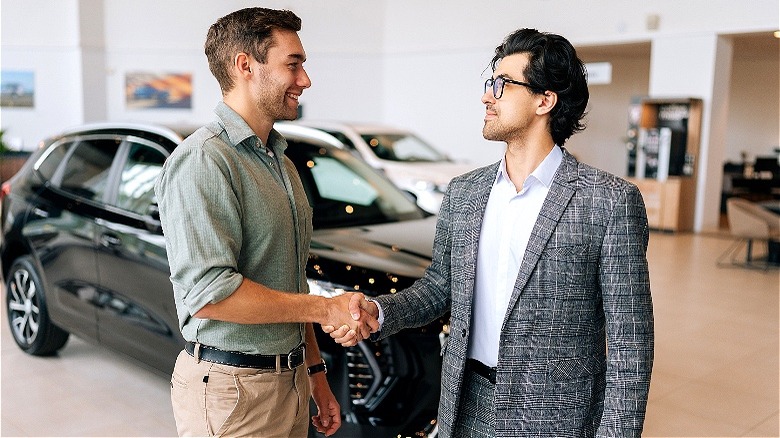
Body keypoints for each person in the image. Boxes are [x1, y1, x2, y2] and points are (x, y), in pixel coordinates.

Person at [328, 28, 654, 437]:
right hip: (467, 403)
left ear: (544, 100)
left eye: (502, 85)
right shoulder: (466, 192)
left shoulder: (608, 202)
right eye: (489, 84)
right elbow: (439, 288)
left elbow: (630, 345)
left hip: (557, 419)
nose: (487, 96)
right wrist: (380, 312)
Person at [155, 7, 375, 437]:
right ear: (245, 66)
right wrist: (325, 308)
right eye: (293, 64)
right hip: (231, 393)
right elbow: (208, 294)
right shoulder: (204, 161)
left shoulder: (280, 163)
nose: (305, 80)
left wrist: (315, 374)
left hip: (289, 382)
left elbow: (290, 282)